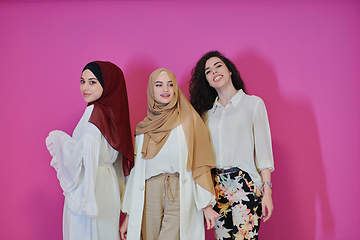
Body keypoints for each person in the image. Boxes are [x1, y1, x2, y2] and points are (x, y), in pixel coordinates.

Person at [119, 68, 219, 240]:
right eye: (159, 85)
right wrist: (129, 215)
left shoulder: (189, 121)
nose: (165, 89)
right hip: (148, 193)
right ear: (152, 90)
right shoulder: (143, 129)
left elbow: (199, 164)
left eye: (170, 84)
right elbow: (136, 173)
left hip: (178, 191)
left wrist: (206, 206)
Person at [189, 51, 275, 240]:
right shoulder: (206, 115)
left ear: (229, 71)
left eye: (218, 66)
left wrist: (267, 190)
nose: (214, 72)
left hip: (245, 184)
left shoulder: (253, 104)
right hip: (217, 187)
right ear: (208, 82)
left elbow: (263, 152)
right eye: (208, 71)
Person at [45, 61, 134, 240]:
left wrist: (60, 140)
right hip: (109, 189)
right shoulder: (114, 115)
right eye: (82, 81)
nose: (85, 87)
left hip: (90, 188)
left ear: (107, 84)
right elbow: (119, 162)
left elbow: (85, 156)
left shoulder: (94, 112)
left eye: (92, 82)